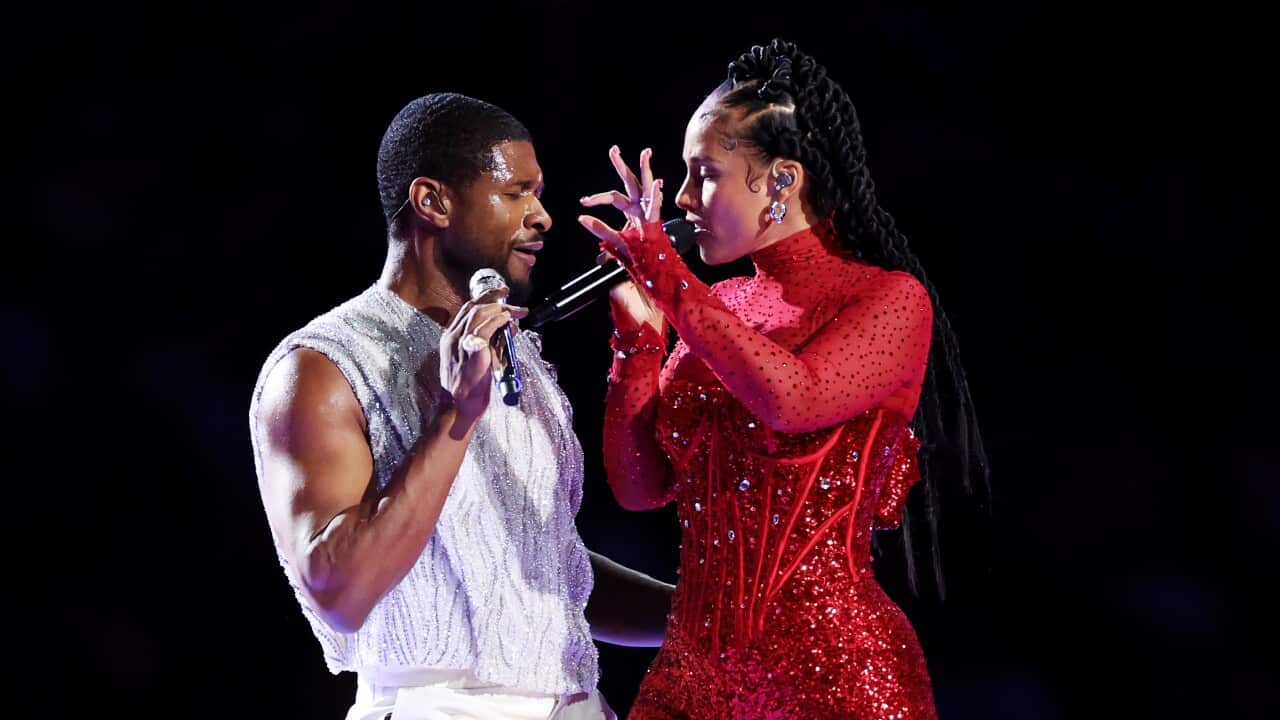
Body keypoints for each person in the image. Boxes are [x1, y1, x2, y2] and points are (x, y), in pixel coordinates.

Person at [577, 39, 987, 718]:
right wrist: (637, 343)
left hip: (833, 679)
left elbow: (793, 400)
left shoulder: (887, 300)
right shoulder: (725, 306)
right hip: (691, 677)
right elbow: (641, 486)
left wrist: (673, 283)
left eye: (703, 173)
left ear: (780, 181)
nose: (681, 199)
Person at [250, 92, 670, 720]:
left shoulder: (519, 352)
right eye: (516, 193)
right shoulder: (319, 366)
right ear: (433, 202)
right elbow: (341, 592)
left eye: (540, 193)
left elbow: (549, 565)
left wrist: (709, 618)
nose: (542, 217)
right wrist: (454, 418)